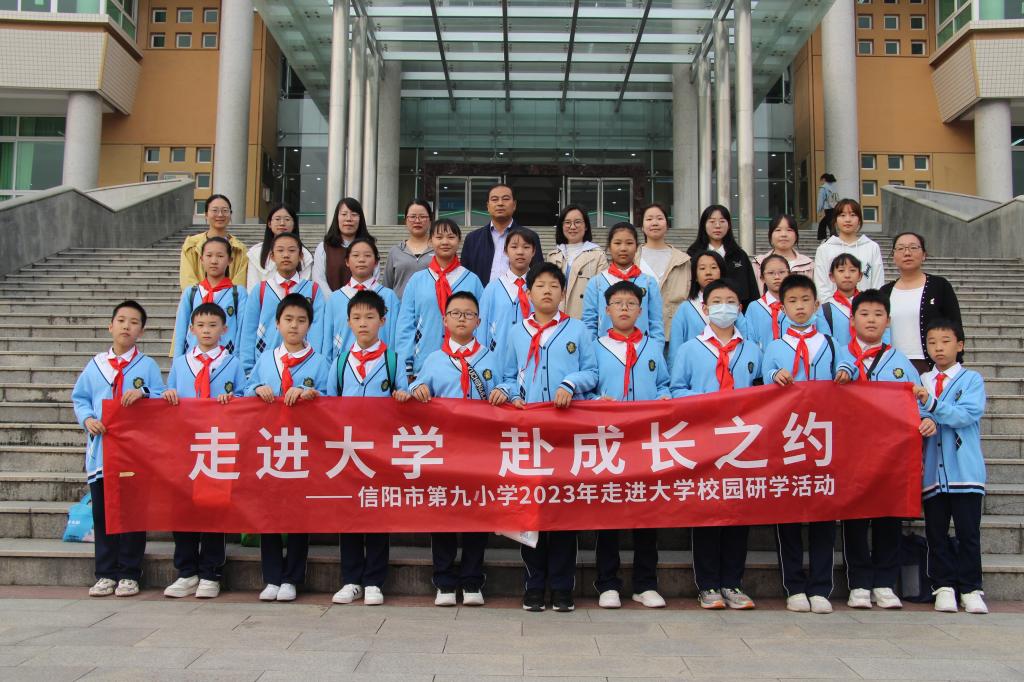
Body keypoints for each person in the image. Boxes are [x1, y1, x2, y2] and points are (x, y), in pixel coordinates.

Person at [492, 262, 599, 613]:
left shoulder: (578, 330)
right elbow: (508, 376)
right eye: (540, 285)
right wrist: (509, 394)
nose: (548, 291)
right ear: (529, 292)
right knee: (532, 511)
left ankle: (563, 587)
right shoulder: (515, 332)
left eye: (554, 285)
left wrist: (570, 383)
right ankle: (535, 585)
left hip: (567, 433)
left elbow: (592, 372)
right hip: (530, 434)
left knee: (564, 510)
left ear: (563, 293)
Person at [398, 291, 500, 608]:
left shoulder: (491, 358)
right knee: (443, 514)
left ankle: (472, 581)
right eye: (455, 313)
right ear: (444, 320)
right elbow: (415, 387)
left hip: (480, 451)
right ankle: (443, 581)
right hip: (444, 450)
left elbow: (508, 385)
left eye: (468, 314)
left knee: (477, 515)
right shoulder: (434, 359)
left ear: (478, 321)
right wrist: (417, 388)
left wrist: (503, 390)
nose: (461, 319)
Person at [761, 274, 854, 614]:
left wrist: (845, 370)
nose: (799, 307)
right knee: (787, 512)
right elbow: (763, 381)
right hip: (788, 437)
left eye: (805, 300)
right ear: (782, 307)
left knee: (823, 513)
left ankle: (820, 586)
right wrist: (775, 376)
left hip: (824, 437)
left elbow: (850, 365)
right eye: (792, 301)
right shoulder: (775, 346)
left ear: (816, 304)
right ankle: (794, 586)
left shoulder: (831, 342)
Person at [670, 279, 762, 610]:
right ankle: (708, 584)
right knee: (707, 510)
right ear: (706, 309)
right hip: (703, 439)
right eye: (718, 301)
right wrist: (706, 402)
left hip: (741, 442)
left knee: (738, 512)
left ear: (740, 308)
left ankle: (733, 582)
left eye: (731, 301)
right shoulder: (690, 349)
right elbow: (676, 389)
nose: (725, 307)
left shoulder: (752, 350)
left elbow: (762, 392)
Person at [71, 301, 165, 598]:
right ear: (110, 326)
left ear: (142, 331)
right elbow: (80, 398)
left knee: (132, 514)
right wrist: (88, 419)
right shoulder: (95, 365)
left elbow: (163, 396)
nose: (127, 326)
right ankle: (105, 573)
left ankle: (129, 573)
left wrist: (144, 392)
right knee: (103, 514)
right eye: (121, 320)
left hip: (134, 454)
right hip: (102, 453)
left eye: (134, 322)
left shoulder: (147, 366)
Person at [842, 289, 927, 611]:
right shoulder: (840, 356)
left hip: (890, 453)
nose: (871, 320)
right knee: (854, 520)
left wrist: (928, 418)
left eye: (878, 315)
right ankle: (859, 583)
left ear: (888, 321)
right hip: (851, 453)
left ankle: (884, 582)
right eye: (864, 314)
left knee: (888, 517)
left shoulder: (899, 361)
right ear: (852, 321)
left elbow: (918, 400)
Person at [244, 293, 330, 602]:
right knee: (268, 512)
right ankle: (271, 576)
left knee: (297, 513)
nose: (294, 326)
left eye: (301, 320)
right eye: (288, 319)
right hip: (269, 447)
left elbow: (331, 397)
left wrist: (311, 393)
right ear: (277, 323)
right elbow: (245, 389)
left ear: (310, 325)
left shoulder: (319, 362)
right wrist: (257, 388)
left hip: (303, 447)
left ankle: (292, 577)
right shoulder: (267, 359)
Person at [326, 290, 408, 606]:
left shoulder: (392, 360)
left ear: (382, 321)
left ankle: (374, 580)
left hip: (379, 452)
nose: (363, 324)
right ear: (348, 322)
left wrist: (402, 396)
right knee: (348, 513)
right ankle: (351, 579)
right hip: (348, 451)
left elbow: (403, 396)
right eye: (357, 318)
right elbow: (329, 404)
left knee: (376, 513)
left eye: (370, 317)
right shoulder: (340, 362)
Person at [592, 281, 669, 610]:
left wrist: (664, 398)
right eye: (618, 303)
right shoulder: (595, 346)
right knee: (607, 512)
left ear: (640, 310)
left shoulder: (652, 346)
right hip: (608, 440)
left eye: (631, 304)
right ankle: (607, 582)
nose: (624, 308)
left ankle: (645, 583)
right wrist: (596, 402)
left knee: (646, 511)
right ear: (606, 310)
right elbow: (587, 386)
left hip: (645, 440)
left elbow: (664, 383)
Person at [162, 302, 245, 600]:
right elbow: (167, 394)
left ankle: (211, 572)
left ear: (224, 329)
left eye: (213, 326)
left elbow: (244, 398)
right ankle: (186, 571)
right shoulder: (181, 363)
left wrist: (233, 399)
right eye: (201, 325)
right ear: (191, 329)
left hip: (216, 444)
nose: (207, 331)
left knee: (213, 508)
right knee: (182, 508)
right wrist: (168, 395)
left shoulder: (232, 364)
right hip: (185, 445)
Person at [913, 319, 988, 614]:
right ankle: (942, 586)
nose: (938, 348)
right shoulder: (922, 380)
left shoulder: (971, 380)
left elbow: (966, 414)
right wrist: (925, 418)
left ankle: (970, 588)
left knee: (968, 533)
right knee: (936, 532)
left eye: (945, 341)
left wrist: (932, 408)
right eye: (932, 342)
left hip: (965, 472)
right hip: (934, 473)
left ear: (960, 345)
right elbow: (917, 413)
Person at [396, 218, 484, 379]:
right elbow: (406, 324)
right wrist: (406, 366)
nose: (445, 242)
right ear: (430, 241)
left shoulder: (472, 280)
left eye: (451, 237)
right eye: (439, 237)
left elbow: (481, 324)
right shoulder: (417, 280)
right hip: (423, 364)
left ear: (459, 241)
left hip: (466, 364)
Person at [240, 232, 326, 376]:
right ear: (272, 256)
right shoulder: (260, 290)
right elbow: (249, 330)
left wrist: (313, 365)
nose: (286, 255)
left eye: (292, 250)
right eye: (280, 250)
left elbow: (317, 330)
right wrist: (248, 369)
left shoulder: (312, 290)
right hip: (266, 367)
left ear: (301, 256)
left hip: (303, 366)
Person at [880, 232, 962, 375]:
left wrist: (956, 362)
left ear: (924, 255)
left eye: (913, 247)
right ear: (893, 256)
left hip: (930, 364)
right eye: (901, 248)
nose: (907, 253)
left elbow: (955, 325)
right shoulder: (885, 292)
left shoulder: (939, 286)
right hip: (893, 364)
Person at [583, 222, 664, 345]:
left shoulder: (648, 282)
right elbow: (589, 323)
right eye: (617, 243)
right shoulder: (596, 283)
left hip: (641, 349)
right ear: (609, 246)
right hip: (605, 350)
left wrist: (654, 350)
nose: (623, 248)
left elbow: (656, 322)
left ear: (637, 247)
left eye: (629, 243)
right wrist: (594, 350)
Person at [324, 238, 401, 363]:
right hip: (343, 366)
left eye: (367, 255)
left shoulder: (389, 296)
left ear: (376, 262)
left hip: (381, 365)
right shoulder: (335, 298)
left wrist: (392, 365)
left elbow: (395, 337)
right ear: (347, 261)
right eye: (355, 255)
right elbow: (327, 339)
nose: (361, 260)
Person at [172, 236, 247, 356]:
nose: (214, 261)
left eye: (220, 256)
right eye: (209, 255)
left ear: (230, 260)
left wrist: (237, 361)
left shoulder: (238, 293)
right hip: (193, 359)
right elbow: (180, 330)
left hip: (226, 359)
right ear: (201, 259)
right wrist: (178, 361)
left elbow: (242, 331)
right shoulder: (191, 292)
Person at [478, 227, 541, 362]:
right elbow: (482, 328)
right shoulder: (492, 288)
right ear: (505, 251)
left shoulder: (540, 286)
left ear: (533, 251)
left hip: (533, 358)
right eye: (514, 247)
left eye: (526, 247)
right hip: (498, 359)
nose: (520, 252)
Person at [461, 183, 541, 285]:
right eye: (495, 199)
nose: (500, 203)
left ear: (514, 205)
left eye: (505, 199)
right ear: (488, 206)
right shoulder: (472, 239)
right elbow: (465, 275)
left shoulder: (531, 237)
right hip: (481, 294)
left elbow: (538, 273)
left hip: (519, 294)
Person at [636, 202, 692, 344]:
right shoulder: (632, 258)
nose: (654, 223)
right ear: (642, 226)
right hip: (638, 334)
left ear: (667, 224)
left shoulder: (682, 260)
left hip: (674, 334)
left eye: (660, 218)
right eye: (649, 219)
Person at [685, 205, 759, 308]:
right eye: (712, 221)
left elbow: (752, 290)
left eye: (722, 221)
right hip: (699, 309)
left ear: (729, 225)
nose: (717, 226)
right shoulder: (692, 254)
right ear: (703, 225)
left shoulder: (739, 255)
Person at [667, 251, 735, 362]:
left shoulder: (732, 305)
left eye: (714, 267)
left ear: (722, 273)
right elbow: (675, 349)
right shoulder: (685, 308)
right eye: (702, 268)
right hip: (695, 366)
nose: (708, 272)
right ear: (695, 276)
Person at [813, 199, 884, 302]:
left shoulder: (872, 247)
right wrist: (834, 308)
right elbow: (821, 286)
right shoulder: (824, 249)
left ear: (859, 220)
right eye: (842, 215)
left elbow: (878, 283)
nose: (847, 219)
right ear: (835, 220)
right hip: (833, 309)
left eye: (852, 215)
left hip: (865, 308)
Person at [545, 205, 608, 319]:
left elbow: (602, 292)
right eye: (567, 222)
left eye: (577, 222)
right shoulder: (552, 257)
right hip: (555, 319)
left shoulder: (598, 255)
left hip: (584, 320)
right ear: (561, 226)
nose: (572, 227)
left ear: (586, 226)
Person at [819, 253, 890, 348]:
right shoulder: (825, 310)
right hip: (839, 356)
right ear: (832, 276)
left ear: (860, 276)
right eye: (841, 270)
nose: (847, 275)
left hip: (873, 355)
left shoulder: (872, 304)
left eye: (852, 270)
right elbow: (825, 343)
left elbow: (884, 333)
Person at [179, 194, 248, 290]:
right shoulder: (191, 245)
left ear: (230, 214)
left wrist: (224, 296)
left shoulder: (240, 249)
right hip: (198, 298)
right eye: (215, 210)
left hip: (229, 299)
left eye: (225, 210)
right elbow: (188, 280)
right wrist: (204, 296)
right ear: (206, 214)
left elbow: (240, 282)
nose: (220, 214)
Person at [312, 197, 374, 293]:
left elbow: (374, 279)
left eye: (354, 214)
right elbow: (319, 279)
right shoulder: (324, 247)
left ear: (360, 219)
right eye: (344, 214)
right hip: (331, 301)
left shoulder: (370, 248)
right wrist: (335, 300)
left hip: (364, 301)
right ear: (337, 217)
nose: (349, 219)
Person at [245, 204, 314, 288]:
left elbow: (305, 288)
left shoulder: (305, 255)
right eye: (277, 219)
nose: (282, 223)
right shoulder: (256, 253)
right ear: (269, 223)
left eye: (287, 219)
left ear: (294, 224)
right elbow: (252, 287)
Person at [382, 198, 434, 298]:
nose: (417, 221)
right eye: (413, 217)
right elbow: (387, 287)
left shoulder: (438, 250)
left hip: (431, 306)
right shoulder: (395, 251)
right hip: (400, 306)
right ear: (405, 220)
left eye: (422, 217)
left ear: (430, 220)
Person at [752, 214, 814, 294]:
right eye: (778, 230)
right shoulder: (758, 263)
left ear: (796, 236)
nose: (783, 234)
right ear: (770, 235)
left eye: (789, 230)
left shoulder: (809, 265)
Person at [744, 254, 790, 352]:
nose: (777, 277)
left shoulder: (795, 305)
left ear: (789, 274)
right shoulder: (754, 307)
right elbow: (750, 339)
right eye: (771, 273)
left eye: (782, 272)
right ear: (762, 278)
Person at [816, 173, 839, 241]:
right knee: (824, 222)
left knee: (829, 223)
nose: (821, 181)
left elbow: (820, 200)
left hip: (828, 208)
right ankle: (823, 236)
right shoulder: (834, 188)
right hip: (835, 207)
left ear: (824, 179)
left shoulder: (823, 188)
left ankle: (833, 236)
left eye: (821, 180)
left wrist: (819, 210)